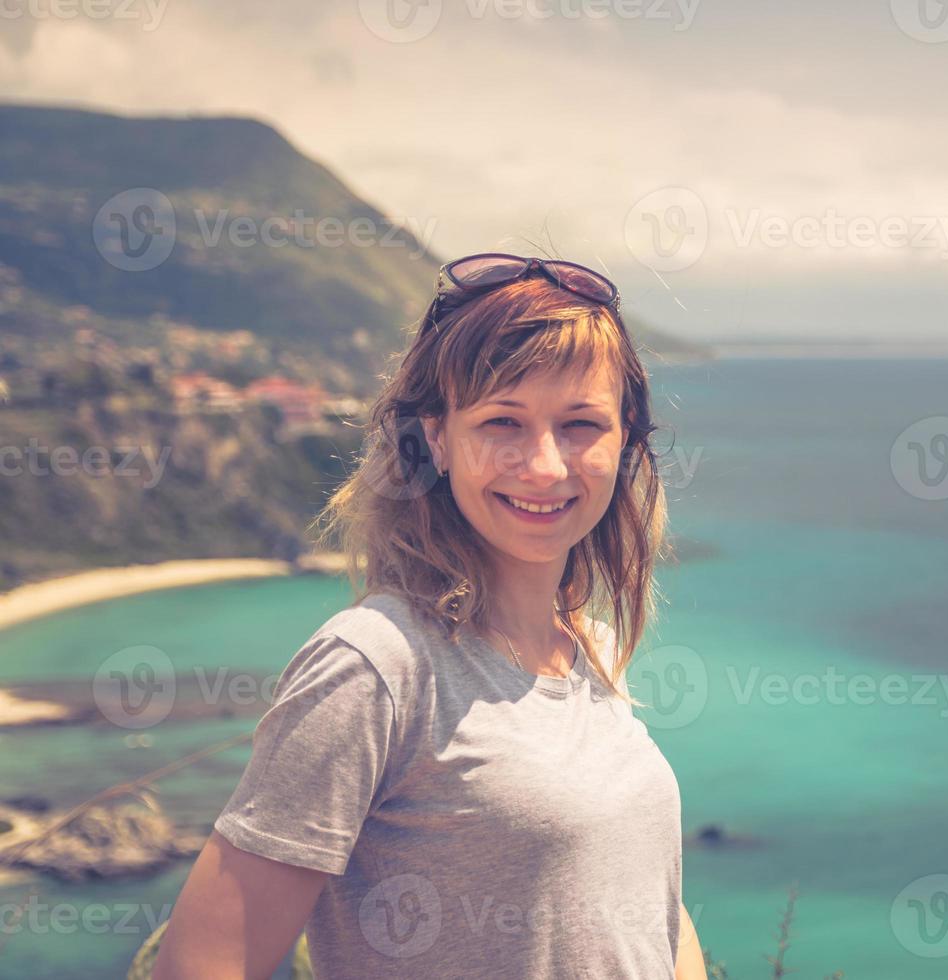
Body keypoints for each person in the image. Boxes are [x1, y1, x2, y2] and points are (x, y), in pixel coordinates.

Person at [153, 253, 706, 979]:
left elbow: (648, 916)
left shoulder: (592, 651)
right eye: (502, 421)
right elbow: (207, 964)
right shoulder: (377, 666)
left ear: (625, 438)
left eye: (580, 424)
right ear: (437, 439)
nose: (544, 465)